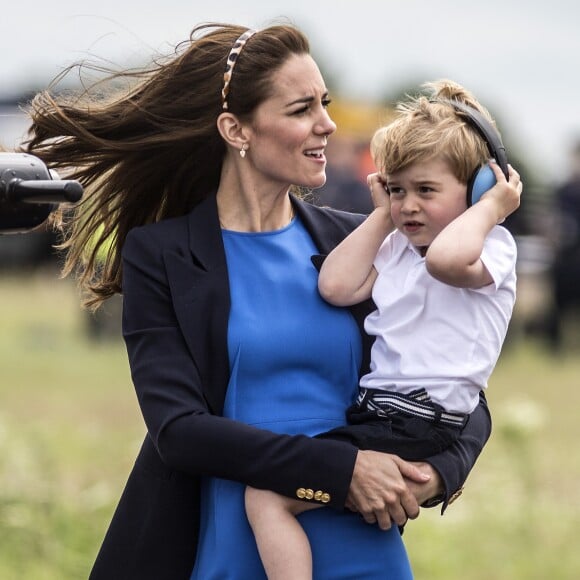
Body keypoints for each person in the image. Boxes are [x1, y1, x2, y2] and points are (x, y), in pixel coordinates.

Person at [23, 25, 495, 579]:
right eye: (301, 110)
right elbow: (178, 430)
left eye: (324, 103)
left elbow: (456, 381)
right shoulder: (161, 254)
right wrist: (341, 470)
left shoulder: (368, 242)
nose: (327, 124)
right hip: (227, 538)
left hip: (362, 540)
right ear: (235, 129)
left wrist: (436, 473)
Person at [244, 80, 522, 580]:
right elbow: (335, 285)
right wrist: (379, 216)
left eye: (426, 190)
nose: (407, 206)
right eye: (397, 189)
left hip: (420, 423)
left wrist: (491, 208)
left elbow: (445, 260)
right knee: (276, 492)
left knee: (266, 496)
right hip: (381, 418)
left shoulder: (492, 246)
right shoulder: (395, 245)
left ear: (480, 188)